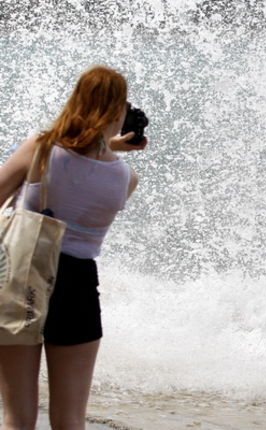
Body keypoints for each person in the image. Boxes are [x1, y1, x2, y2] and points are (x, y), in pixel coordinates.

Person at [0, 65, 146, 430]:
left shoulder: (41, 149)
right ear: (118, 113)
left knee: (17, 417)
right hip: (78, 286)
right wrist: (110, 146)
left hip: (22, 276)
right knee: (70, 420)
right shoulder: (126, 178)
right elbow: (86, 166)